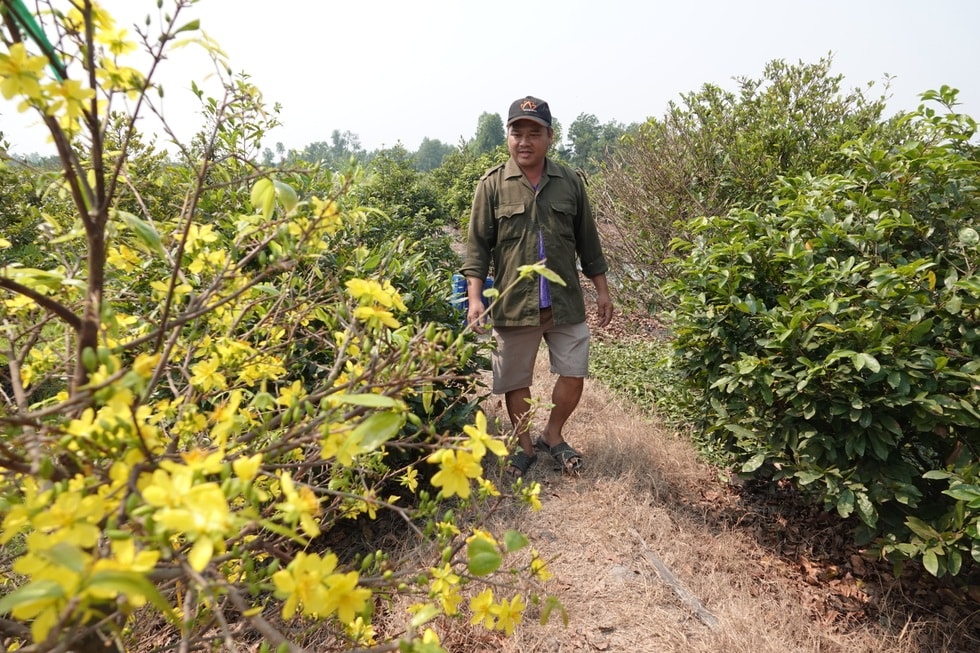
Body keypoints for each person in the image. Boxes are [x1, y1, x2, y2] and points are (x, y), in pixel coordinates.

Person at [461, 95, 613, 477]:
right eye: (517, 132)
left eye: (534, 133)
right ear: (508, 137)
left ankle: (553, 434)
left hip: (563, 302)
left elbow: (588, 241)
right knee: (516, 379)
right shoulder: (492, 185)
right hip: (514, 305)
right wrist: (475, 299)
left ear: (550, 136)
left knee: (574, 371)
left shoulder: (570, 183)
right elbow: (477, 246)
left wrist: (602, 289)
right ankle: (525, 445)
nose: (524, 141)